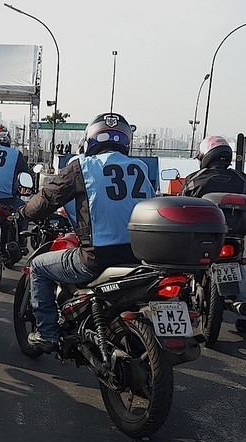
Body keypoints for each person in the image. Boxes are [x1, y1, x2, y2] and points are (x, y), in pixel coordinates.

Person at [22, 112, 156, 351]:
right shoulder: (140, 167)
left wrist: (24, 213)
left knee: (39, 267)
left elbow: (46, 200)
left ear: (90, 140)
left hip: (97, 258)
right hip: (140, 255)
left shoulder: (82, 167)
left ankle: (47, 333)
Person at [180, 135, 246, 333]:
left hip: (202, 237)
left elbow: (182, 203)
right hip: (233, 238)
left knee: (184, 267)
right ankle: (244, 316)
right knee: (238, 269)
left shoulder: (195, 179)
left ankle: (180, 305)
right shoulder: (242, 179)